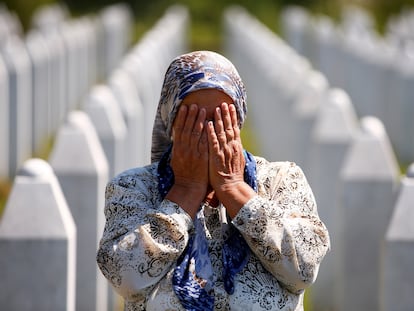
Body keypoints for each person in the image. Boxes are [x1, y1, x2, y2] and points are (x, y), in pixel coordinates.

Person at [97, 50, 330, 311]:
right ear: (171, 122)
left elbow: (303, 270)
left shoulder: (281, 180)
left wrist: (234, 189)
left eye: (219, 119)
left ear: (238, 120)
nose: (209, 132)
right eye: (193, 120)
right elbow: (125, 277)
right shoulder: (133, 187)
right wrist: (185, 191)